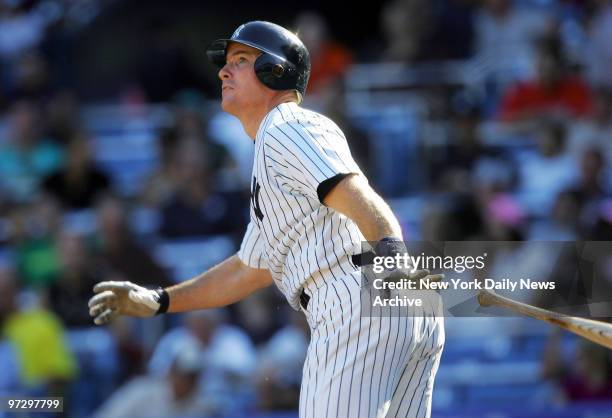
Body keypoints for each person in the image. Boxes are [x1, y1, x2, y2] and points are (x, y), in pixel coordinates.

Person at [88, 21, 445, 418]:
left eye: (240, 61)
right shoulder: (274, 154)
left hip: (356, 300)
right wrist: (159, 300)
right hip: (386, 302)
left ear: (274, 70)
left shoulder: (285, 125)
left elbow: (357, 193)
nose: (224, 71)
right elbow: (246, 270)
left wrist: (392, 258)